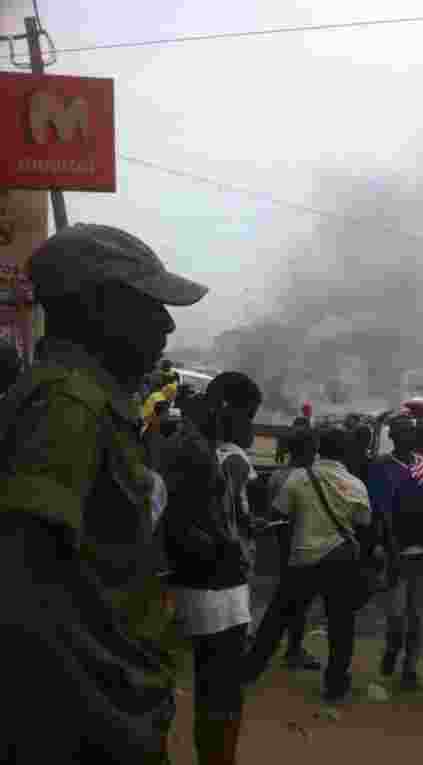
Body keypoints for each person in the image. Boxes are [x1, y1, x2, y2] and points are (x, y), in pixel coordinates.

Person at [0, 223, 206, 762]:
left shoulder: (87, 403)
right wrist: (114, 721)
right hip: (84, 730)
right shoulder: (68, 408)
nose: (166, 323)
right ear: (96, 309)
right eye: (149, 304)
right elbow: (29, 596)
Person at [163, 371, 261, 765]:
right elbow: (184, 523)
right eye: (248, 415)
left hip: (201, 583)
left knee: (214, 689)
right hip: (212, 589)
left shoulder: (188, 439)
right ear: (225, 407)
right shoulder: (197, 449)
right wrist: (227, 546)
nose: (249, 425)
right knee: (220, 692)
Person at [243, 427, 373, 704]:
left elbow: (278, 513)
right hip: (341, 560)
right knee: (341, 623)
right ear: (346, 452)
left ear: (318, 449)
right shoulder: (356, 484)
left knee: (277, 617)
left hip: (302, 559)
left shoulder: (299, 478)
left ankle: (250, 670)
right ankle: (336, 683)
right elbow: (363, 523)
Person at [367, 413, 423, 691]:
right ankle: (392, 647)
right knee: (396, 613)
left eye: (413, 431)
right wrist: (389, 547)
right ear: (394, 436)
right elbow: (381, 511)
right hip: (394, 550)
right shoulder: (382, 466)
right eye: (406, 432)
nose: (412, 436)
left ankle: (409, 668)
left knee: (417, 614)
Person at [265, 425, 322, 672]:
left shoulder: (277, 476)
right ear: (309, 450)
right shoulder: (307, 477)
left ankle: (285, 648)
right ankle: (292, 650)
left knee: (288, 598)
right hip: (303, 545)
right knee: (298, 601)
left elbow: (274, 513)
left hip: (283, 543)